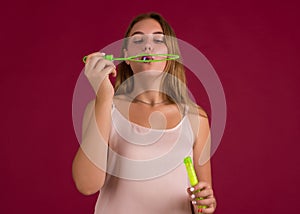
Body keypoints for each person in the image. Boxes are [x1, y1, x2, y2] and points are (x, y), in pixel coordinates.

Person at [72, 13, 217, 214]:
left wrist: (206, 205)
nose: (148, 46)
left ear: (169, 55)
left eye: (158, 39)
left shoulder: (196, 118)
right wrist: (104, 96)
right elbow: (86, 185)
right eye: (138, 40)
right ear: (126, 57)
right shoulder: (105, 107)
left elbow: (202, 202)